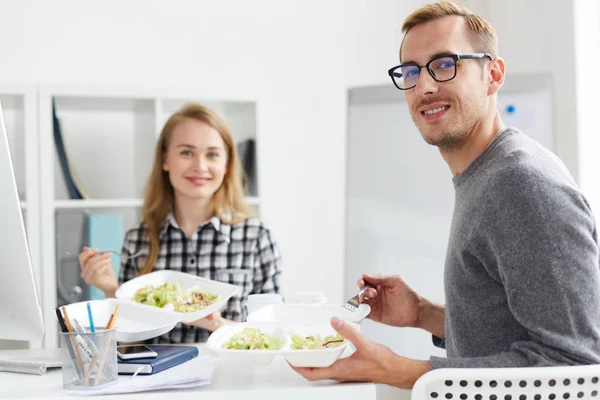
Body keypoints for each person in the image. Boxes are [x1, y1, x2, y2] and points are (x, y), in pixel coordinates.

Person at [292, 0, 600, 388]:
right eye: (410, 71)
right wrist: (422, 313)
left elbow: (573, 364)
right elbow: (509, 330)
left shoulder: (523, 185)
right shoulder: (484, 175)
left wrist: (401, 370)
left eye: (444, 64)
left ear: (494, 75)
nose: (424, 86)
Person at [78, 103, 282, 343]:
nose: (200, 166)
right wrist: (112, 290)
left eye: (212, 154)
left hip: (234, 377)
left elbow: (272, 335)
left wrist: (216, 324)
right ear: (165, 160)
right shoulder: (139, 239)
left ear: (227, 165)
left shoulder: (256, 237)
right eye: (186, 152)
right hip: (159, 378)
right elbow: (128, 345)